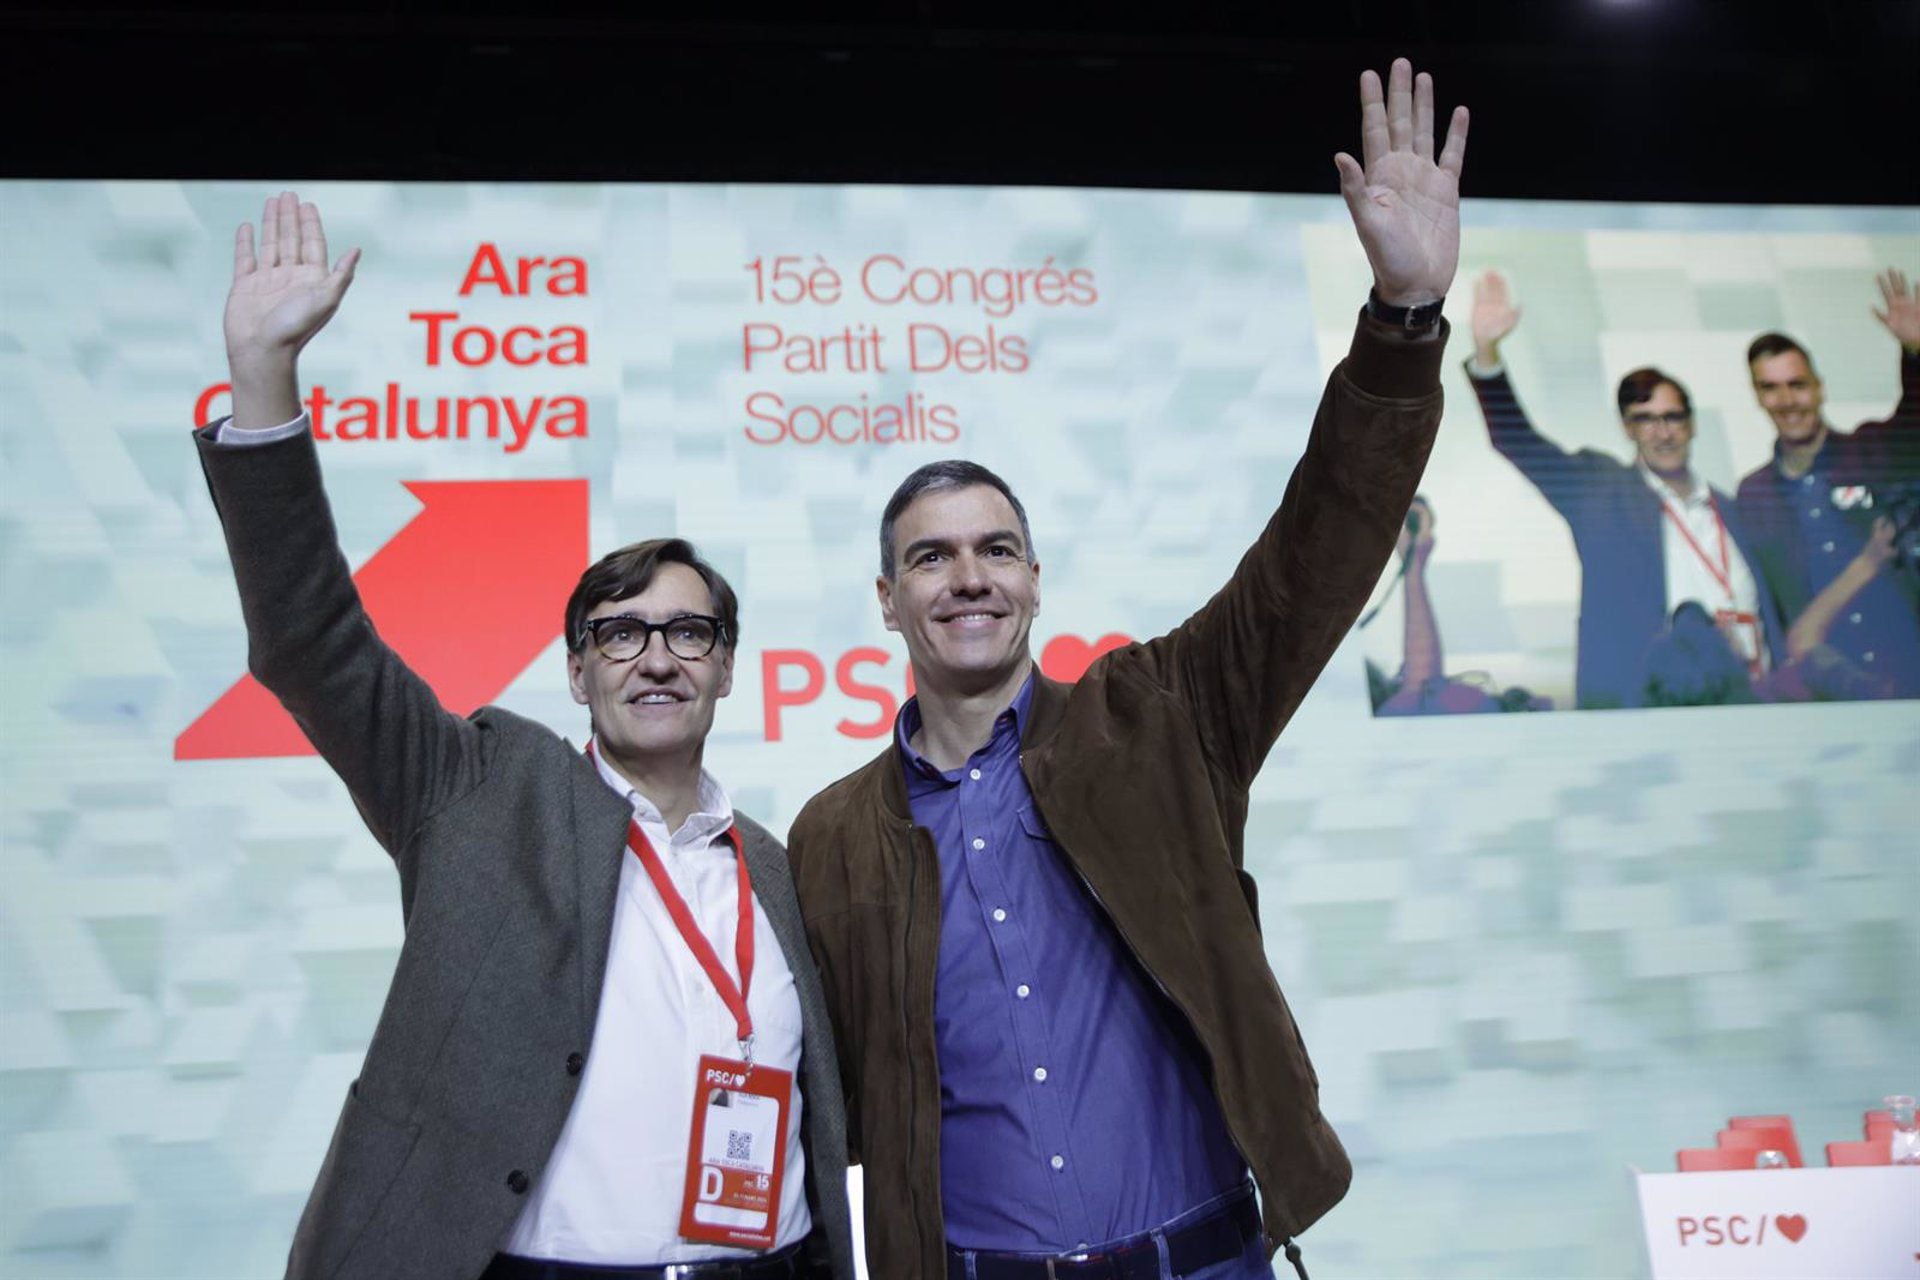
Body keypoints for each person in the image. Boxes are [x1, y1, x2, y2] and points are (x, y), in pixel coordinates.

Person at [787, 59, 1463, 1280]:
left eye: (998, 548)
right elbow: (797, 1076)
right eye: (930, 559)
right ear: (886, 602)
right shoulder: (833, 834)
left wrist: (1402, 323)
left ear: (1038, 579)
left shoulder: (1158, 718)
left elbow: (1319, 545)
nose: (969, 577)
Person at [196, 193, 853, 1280]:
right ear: (577, 668)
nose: (657, 655)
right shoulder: (479, 792)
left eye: (689, 630)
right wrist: (265, 383)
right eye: (620, 632)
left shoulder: (776, 870)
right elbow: (314, 640)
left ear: (728, 665)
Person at [1465, 268, 1784, 709]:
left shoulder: (1733, 509)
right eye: (1645, 419)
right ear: (1627, 428)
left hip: (1751, 699)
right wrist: (1487, 354)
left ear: (1691, 424)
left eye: (1672, 417)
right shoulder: (1599, 491)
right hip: (1649, 707)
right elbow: (1518, 442)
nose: (1662, 432)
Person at [1732, 270, 1920, 699]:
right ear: (1757, 396)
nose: (1787, 400)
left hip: (1907, 675)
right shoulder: (1754, 495)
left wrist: (1915, 352)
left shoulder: (1873, 452)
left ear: (1819, 389)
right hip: (1823, 693)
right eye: (1771, 388)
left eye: (1797, 385)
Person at [1369, 497, 1551, 714]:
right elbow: (1423, 692)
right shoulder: (1397, 711)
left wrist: (1412, 565)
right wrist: (1413, 566)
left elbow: (1422, 692)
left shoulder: (1396, 711)